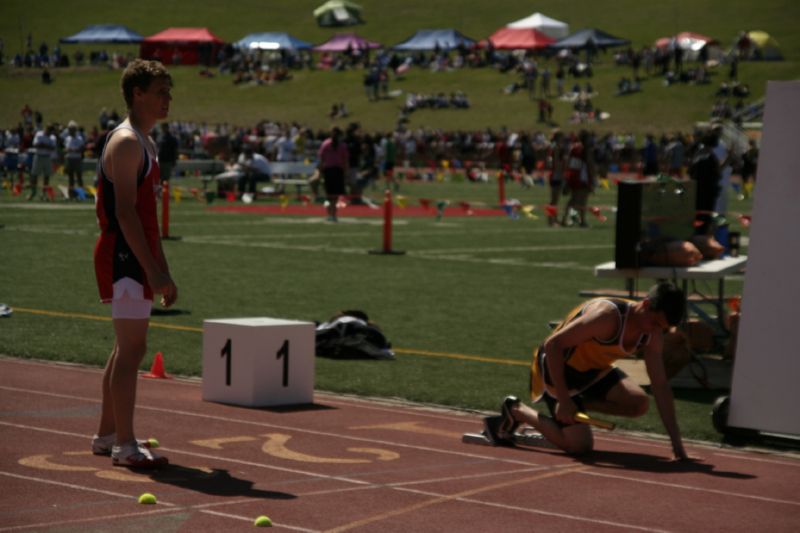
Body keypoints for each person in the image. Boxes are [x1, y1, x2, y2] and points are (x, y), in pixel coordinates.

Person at [487, 282, 690, 460]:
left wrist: (676, 443)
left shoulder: (652, 333)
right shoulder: (607, 317)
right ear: (645, 304)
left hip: (594, 371)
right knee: (579, 446)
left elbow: (660, 385)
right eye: (654, 323)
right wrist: (565, 400)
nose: (654, 330)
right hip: (557, 368)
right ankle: (516, 410)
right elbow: (552, 346)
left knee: (639, 404)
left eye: (661, 328)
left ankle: (577, 407)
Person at [92, 59, 177, 468]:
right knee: (132, 349)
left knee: (124, 348)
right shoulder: (126, 142)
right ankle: (124, 444)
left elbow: (145, 216)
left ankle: (107, 433)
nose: (167, 99)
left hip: (135, 254)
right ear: (136, 93)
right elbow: (125, 213)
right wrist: (153, 269)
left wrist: (162, 267)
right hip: (123, 255)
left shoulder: (145, 142)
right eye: (160, 91)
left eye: (169, 91)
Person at [317, 127, 349, 222]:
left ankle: (329, 213)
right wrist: (345, 173)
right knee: (335, 195)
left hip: (328, 171)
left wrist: (320, 171)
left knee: (328, 194)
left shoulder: (325, 144)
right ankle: (333, 214)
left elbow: (321, 159)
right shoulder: (342, 146)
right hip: (338, 171)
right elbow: (345, 161)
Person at [28, 124, 57, 200]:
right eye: (48, 131)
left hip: (47, 157)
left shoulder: (53, 137)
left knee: (47, 176)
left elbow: (52, 147)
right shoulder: (39, 134)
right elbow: (35, 145)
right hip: (38, 156)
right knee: (34, 175)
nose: (49, 133)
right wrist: (46, 146)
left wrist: (43, 145)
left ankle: (44, 193)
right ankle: (33, 192)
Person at [63, 120, 85, 198]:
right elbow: (65, 149)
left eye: (72, 129)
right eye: (69, 129)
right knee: (70, 177)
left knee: (79, 176)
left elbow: (82, 148)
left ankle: (82, 194)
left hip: (77, 159)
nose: (70, 131)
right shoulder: (67, 138)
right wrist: (67, 150)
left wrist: (74, 150)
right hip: (69, 158)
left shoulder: (79, 138)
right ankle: (71, 194)